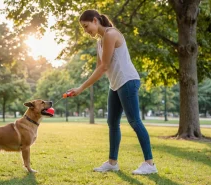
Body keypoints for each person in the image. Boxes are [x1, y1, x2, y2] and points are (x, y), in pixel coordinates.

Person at [67, 9, 158, 175]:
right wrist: (81, 87)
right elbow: (98, 68)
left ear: (95, 20)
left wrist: (80, 88)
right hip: (115, 84)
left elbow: (104, 67)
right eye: (83, 28)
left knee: (134, 121)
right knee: (112, 122)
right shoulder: (99, 42)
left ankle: (150, 164)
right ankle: (112, 162)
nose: (86, 31)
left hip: (128, 81)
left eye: (86, 26)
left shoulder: (111, 34)